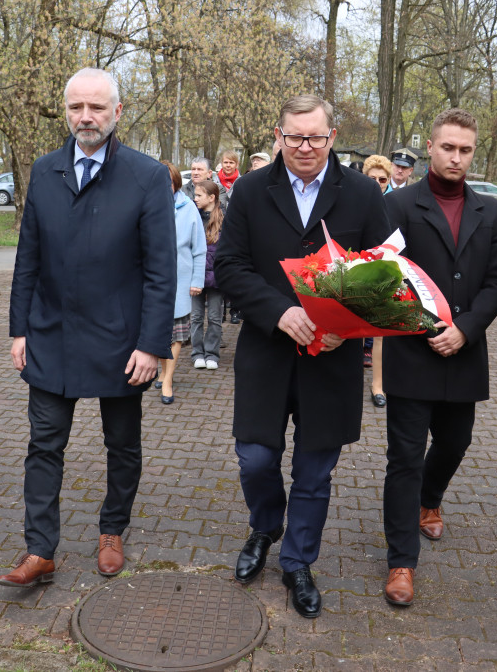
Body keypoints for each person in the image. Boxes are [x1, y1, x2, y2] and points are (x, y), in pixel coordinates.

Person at [0, 68, 176, 588]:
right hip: (50, 335)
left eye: (96, 108)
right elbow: (27, 256)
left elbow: (162, 271)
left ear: (117, 113)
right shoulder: (46, 169)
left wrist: (151, 344)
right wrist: (19, 328)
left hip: (122, 344)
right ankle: (39, 550)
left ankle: (112, 530)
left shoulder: (145, 176)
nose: (86, 117)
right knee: (43, 445)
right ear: (66, 111)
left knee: (121, 445)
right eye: (77, 107)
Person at [214, 94, 389, 619]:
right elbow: (230, 266)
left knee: (315, 472)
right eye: (295, 137)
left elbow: (385, 274)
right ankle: (265, 525)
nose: (305, 146)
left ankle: (297, 562)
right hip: (267, 352)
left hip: (331, 361)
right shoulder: (248, 191)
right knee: (256, 459)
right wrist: (278, 312)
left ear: (332, 137)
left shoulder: (361, 193)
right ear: (279, 135)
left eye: (315, 137)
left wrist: (348, 327)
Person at [380, 108, 497, 606]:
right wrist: (423, 325)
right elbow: (383, 276)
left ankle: (429, 501)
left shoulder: (491, 212)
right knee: (405, 457)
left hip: (464, 352)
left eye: (465, 150)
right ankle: (401, 562)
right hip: (413, 353)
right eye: (448, 147)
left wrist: (466, 329)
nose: (457, 157)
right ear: (430, 148)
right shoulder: (398, 206)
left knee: (455, 443)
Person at [158, 161, 207, 404]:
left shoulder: (188, 208)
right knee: (157, 329)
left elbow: (199, 248)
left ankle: (167, 379)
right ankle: (162, 370)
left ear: (176, 183)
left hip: (180, 280)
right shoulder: (146, 204)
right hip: (152, 281)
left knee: (176, 333)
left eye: (168, 181)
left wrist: (197, 280)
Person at [361, 154, 397, 409]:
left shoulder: (395, 203)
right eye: (371, 178)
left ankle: (378, 385)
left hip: (386, 272)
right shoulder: (355, 200)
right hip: (358, 272)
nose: (377, 183)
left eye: (382, 179)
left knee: (381, 334)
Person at [191, 180, 226, 370]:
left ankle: (212, 353)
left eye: (199, 195)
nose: (195, 199)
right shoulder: (192, 216)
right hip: (196, 276)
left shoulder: (224, 218)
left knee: (214, 317)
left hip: (217, 277)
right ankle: (197, 352)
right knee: (196, 317)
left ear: (211, 197)